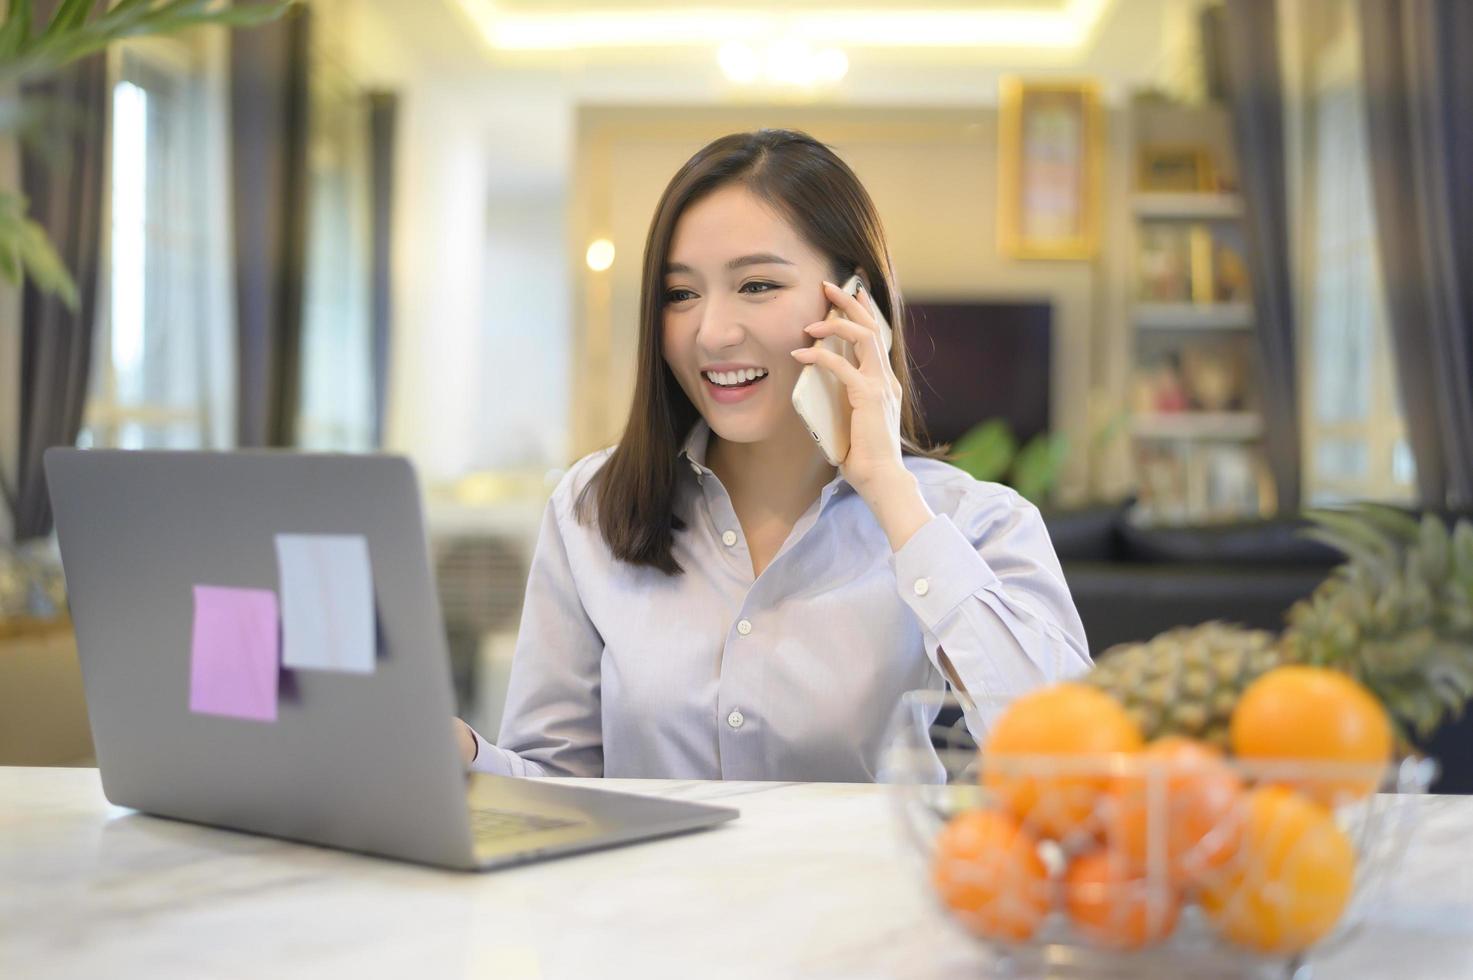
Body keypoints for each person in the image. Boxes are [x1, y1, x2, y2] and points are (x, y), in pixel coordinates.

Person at [455, 129, 1089, 780]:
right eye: (680, 294)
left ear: (854, 301)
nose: (712, 333)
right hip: (653, 887)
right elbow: (557, 791)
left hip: (862, 886)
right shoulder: (590, 508)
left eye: (756, 285)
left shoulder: (973, 521)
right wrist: (467, 760)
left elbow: (1072, 759)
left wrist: (890, 492)